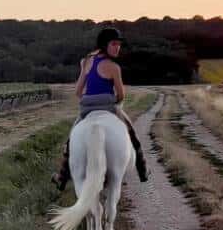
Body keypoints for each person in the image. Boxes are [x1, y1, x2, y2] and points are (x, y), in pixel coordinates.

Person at [51, 27, 149, 190]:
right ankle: (143, 169)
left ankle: (62, 177)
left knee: (70, 141)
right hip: (109, 107)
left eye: (119, 44)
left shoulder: (87, 61)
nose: (117, 47)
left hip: (86, 109)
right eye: (114, 44)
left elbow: (78, 91)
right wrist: (109, 100)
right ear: (105, 45)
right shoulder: (114, 67)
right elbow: (121, 95)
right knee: (132, 134)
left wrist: (90, 100)